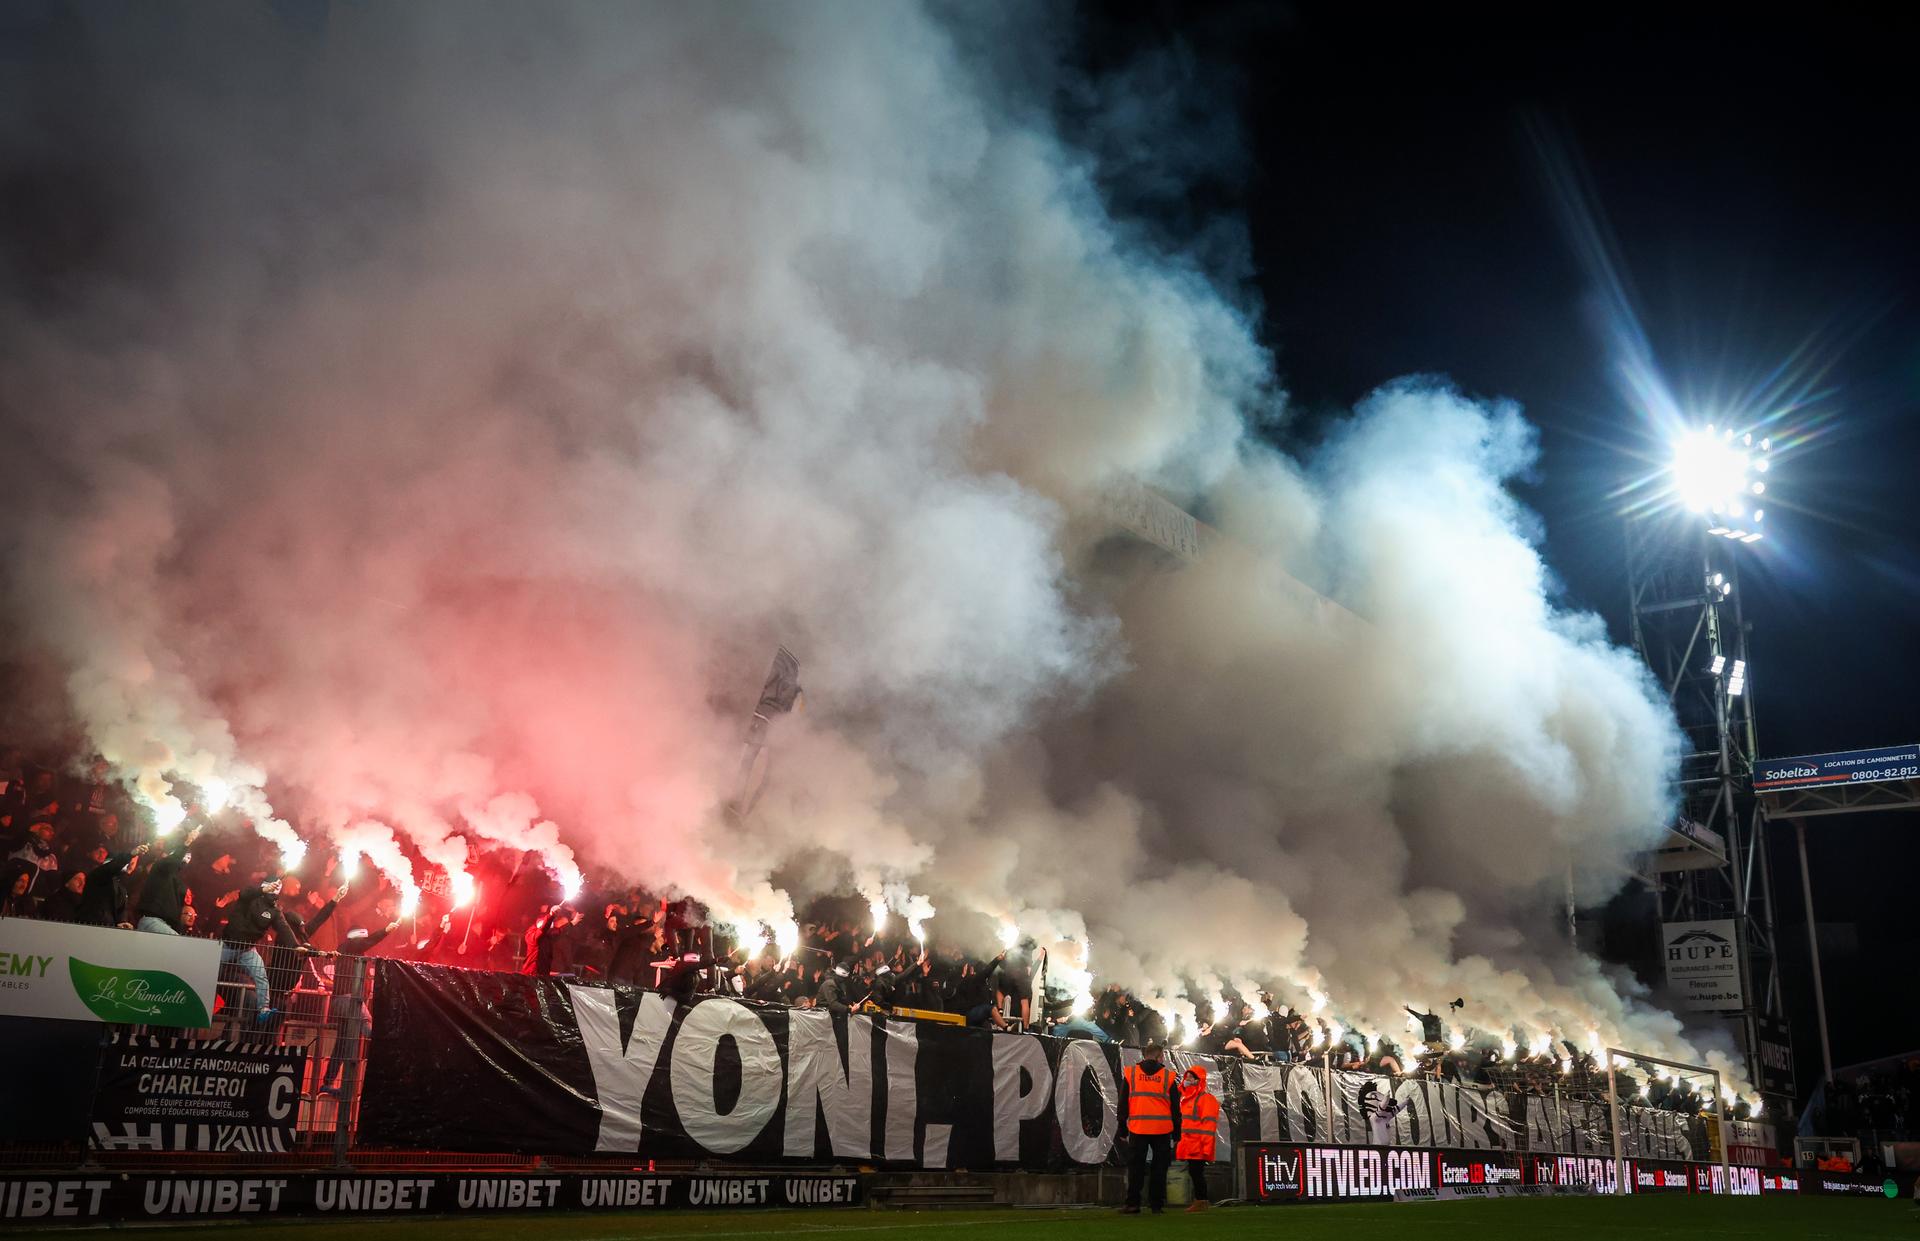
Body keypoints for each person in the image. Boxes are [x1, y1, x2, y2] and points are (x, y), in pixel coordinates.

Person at [1119, 1041, 1178, 1215]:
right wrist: (1177, 1132)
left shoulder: (1131, 1074)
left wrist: (1122, 1127)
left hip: (1138, 1128)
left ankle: (1133, 1204)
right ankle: (1156, 1205)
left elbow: (1123, 1104)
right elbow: (1176, 1108)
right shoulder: (1168, 1076)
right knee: (1159, 1169)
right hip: (1162, 1129)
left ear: (1144, 1055)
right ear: (1160, 1056)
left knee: (1135, 1168)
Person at [134, 827, 201, 934]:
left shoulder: (176, 877)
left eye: (189, 856)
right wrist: (186, 843)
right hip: (153, 921)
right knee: (178, 945)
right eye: (184, 855)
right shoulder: (160, 866)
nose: (187, 858)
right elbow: (172, 862)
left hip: (165, 924)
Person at [1175, 1063, 1220, 1213]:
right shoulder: (1186, 1098)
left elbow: (1208, 1126)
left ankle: (1201, 1200)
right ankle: (1201, 1200)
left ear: (1198, 1080)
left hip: (1197, 1145)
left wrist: (1206, 1147)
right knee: (1195, 1173)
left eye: (1190, 1077)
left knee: (1196, 1173)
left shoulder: (1205, 1099)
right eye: (1186, 1077)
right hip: (1190, 1143)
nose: (1187, 1080)